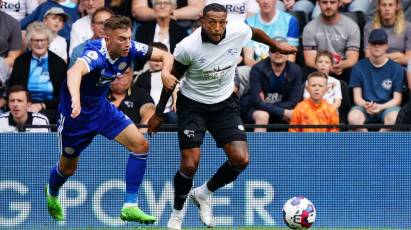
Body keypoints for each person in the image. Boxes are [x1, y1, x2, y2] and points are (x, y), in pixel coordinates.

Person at [147, 3, 296, 230]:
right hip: (193, 105)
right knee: (190, 164)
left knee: (241, 159)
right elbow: (171, 80)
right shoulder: (188, 47)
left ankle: (203, 193)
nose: (217, 27)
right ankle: (176, 215)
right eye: (212, 22)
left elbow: (254, 32)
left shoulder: (237, 30)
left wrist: (276, 45)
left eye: (221, 22)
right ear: (202, 22)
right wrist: (159, 113)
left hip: (224, 103)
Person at [45, 16, 174, 223]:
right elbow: (74, 72)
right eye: (121, 39)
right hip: (76, 118)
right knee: (68, 168)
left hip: (102, 110)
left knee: (141, 145)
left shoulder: (130, 48)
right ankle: (51, 192)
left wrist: (166, 71)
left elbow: (165, 55)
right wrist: (76, 99)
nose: (127, 43)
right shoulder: (95, 53)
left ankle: (130, 205)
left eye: (129, 38)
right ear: (107, 38)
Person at [240, 36, 304, 132]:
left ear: (287, 54)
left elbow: (293, 101)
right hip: (254, 109)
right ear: (269, 52)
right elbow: (257, 102)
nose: (278, 53)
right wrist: (282, 112)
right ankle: (259, 147)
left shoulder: (295, 71)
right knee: (263, 116)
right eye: (274, 49)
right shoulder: (257, 69)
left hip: (281, 108)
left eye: (282, 50)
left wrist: (273, 109)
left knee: (296, 115)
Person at [9, 21, 67, 124]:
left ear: (48, 41)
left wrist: (42, 105)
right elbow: (14, 88)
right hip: (24, 107)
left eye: (42, 40)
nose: (39, 44)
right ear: (30, 42)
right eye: (35, 40)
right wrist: (26, 105)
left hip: (52, 108)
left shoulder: (58, 63)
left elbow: (64, 95)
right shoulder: (20, 62)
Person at [348, 29, 403, 131]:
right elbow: (357, 97)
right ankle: (367, 142)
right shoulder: (359, 66)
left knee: (394, 117)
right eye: (374, 43)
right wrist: (366, 105)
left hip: (387, 107)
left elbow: (397, 99)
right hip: (365, 106)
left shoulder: (396, 68)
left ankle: (378, 142)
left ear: (386, 46)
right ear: (369, 45)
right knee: (353, 117)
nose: (377, 46)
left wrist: (381, 107)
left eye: (381, 43)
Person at [302, 0, 360, 83]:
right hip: (319, 66)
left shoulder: (351, 26)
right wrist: (326, 67)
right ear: (318, 3)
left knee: (354, 71)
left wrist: (340, 66)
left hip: (341, 67)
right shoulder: (310, 28)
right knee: (305, 71)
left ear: (339, 3)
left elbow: (352, 59)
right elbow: (310, 60)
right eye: (324, 2)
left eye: (332, 2)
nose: (328, 6)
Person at [243, 0, 300, 65]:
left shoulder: (290, 21)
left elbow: (291, 59)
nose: (266, 1)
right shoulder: (248, 23)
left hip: (282, 68)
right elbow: (248, 60)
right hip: (257, 68)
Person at [135, 42, 177, 124]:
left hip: (167, 113)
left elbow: (176, 90)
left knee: (173, 117)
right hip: (148, 112)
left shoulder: (170, 75)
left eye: (161, 60)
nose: (157, 62)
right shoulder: (142, 77)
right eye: (155, 59)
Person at [108, 66, 156, 133]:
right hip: (101, 139)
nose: (119, 76)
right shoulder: (99, 94)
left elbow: (150, 110)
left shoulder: (140, 93)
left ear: (131, 75)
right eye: (115, 73)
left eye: (125, 73)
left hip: (134, 139)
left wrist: (139, 135)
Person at [364, 0, 411, 66]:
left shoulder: (408, 27)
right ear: (378, 7)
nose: (387, 9)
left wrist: (379, 57)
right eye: (383, 5)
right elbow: (368, 55)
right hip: (375, 66)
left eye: (391, 5)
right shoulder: (369, 27)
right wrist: (395, 55)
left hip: (399, 68)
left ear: (397, 6)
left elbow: (408, 59)